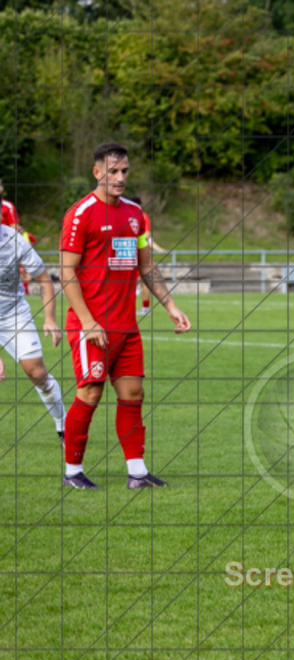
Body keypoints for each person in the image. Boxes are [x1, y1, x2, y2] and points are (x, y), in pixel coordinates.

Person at [59, 142, 192, 490]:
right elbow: (67, 273)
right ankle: (72, 473)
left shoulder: (135, 214)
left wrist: (170, 305)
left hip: (126, 327)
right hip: (91, 326)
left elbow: (147, 267)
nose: (120, 178)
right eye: (113, 171)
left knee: (133, 394)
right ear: (97, 172)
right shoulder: (80, 214)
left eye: (125, 171)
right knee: (89, 394)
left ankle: (137, 473)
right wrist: (88, 322)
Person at [0, 223, 67, 445]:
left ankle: (63, 424)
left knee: (37, 373)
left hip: (13, 313)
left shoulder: (15, 240)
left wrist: (50, 319)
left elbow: (44, 279)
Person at [127, 197, 168, 317]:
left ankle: (145, 308)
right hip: (128, 254)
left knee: (143, 281)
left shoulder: (142, 216)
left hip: (137, 254)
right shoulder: (127, 215)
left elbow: (147, 235)